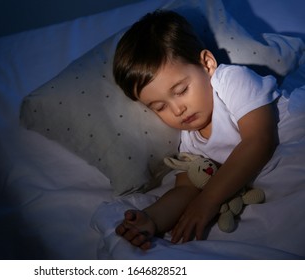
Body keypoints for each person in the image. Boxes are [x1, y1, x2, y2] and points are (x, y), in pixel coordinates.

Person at [112, 10, 281, 250]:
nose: (178, 110)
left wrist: (208, 200)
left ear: (207, 64)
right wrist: (151, 219)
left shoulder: (230, 81)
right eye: (160, 107)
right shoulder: (190, 139)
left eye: (181, 91)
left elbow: (259, 141)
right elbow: (185, 189)